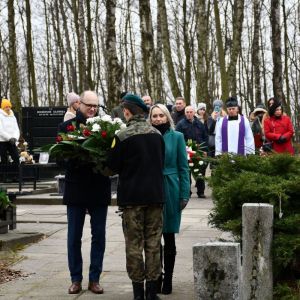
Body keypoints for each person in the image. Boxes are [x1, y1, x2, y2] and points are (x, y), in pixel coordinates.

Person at [105, 94, 165, 300]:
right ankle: (152, 292)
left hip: (132, 200)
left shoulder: (122, 136)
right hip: (156, 197)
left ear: (127, 112)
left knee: (134, 245)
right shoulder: (157, 134)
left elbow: (110, 168)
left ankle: (138, 292)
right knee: (153, 244)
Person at [58, 91, 111, 295]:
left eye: (96, 106)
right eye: (89, 105)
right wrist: (77, 156)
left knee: (99, 236)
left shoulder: (106, 128)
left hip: (99, 187)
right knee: (74, 237)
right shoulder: (66, 128)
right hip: (76, 188)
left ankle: (94, 279)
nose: (92, 109)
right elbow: (59, 159)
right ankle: (76, 279)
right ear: (78, 104)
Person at [149, 104, 190, 295]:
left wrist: (184, 193)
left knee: (169, 236)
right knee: (153, 238)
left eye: (160, 116)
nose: (157, 119)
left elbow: (183, 167)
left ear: (167, 117)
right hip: (151, 188)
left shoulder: (177, 137)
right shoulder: (147, 137)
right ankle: (156, 277)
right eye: (154, 116)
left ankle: (168, 279)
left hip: (171, 188)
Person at [176, 106, 208, 198]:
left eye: (190, 112)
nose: (189, 114)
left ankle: (201, 192)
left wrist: (205, 150)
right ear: (185, 113)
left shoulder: (199, 123)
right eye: (187, 112)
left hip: (199, 151)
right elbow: (178, 138)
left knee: (200, 172)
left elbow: (205, 137)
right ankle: (187, 191)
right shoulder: (180, 124)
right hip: (186, 151)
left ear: (194, 113)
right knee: (187, 173)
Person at [0, 99, 20, 165]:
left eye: (9, 106)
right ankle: (4, 175)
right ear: (2, 108)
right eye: (6, 107)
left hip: (12, 141)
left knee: (16, 158)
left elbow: (16, 129)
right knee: (4, 160)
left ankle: (15, 174)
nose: (8, 108)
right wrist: (9, 138)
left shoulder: (12, 116)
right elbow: (1, 130)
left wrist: (15, 138)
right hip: (2, 142)